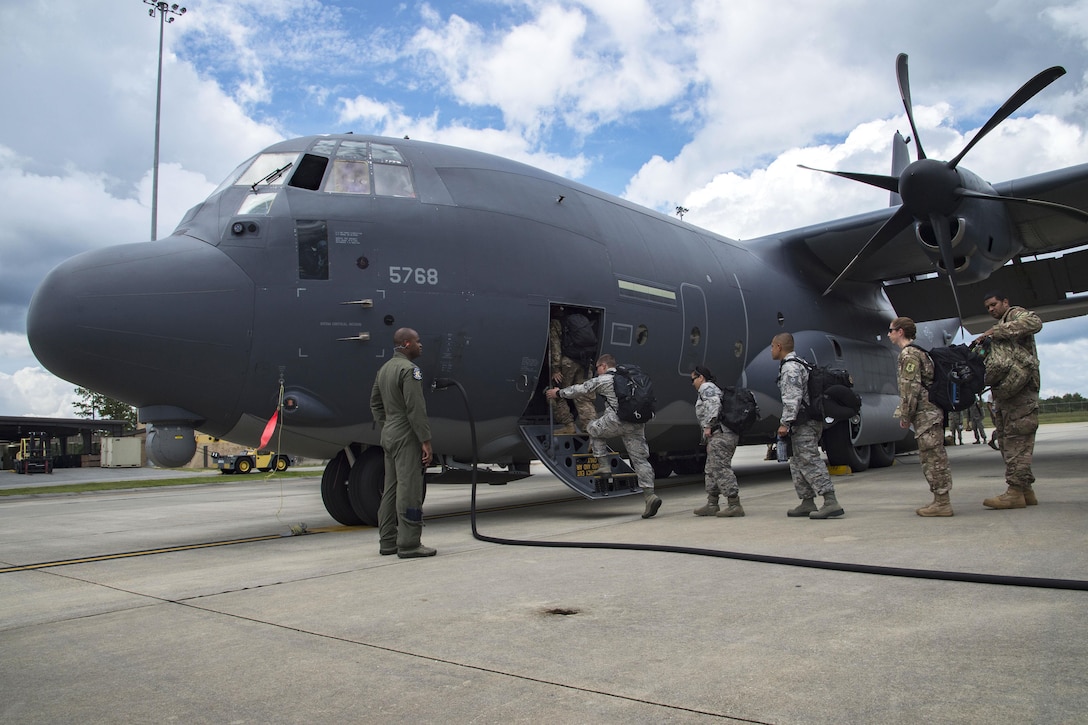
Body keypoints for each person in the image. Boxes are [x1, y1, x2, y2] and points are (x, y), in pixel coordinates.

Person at [546, 354, 661, 518]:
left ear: (604, 366)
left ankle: (604, 464)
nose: (597, 372)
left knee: (592, 428)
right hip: (636, 423)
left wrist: (558, 393)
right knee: (640, 459)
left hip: (617, 420)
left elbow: (581, 389)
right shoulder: (629, 378)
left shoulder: (605, 379)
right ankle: (650, 495)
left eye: (598, 368)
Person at [369, 327, 436, 558]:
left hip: (389, 432)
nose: (421, 345)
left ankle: (387, 541)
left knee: (390, 489)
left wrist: (387, 425)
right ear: (407, 344)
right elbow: (415, 409)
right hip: (406, 434)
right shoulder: (410, 370)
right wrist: (425, 441)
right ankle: (409, 543)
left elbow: (375, 403)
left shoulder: (384, 369)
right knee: (410, 489)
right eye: (418, 341)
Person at [973, 291, 1043, 508]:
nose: (991, 309)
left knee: (1017, 442)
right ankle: (1025, 490)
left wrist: (996, 331)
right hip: (1007, 393)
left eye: (994, 304)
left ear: (1005, 302)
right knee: (1006, 440)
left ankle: (1014, 492)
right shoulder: (1001, 326)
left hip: (1021, 393)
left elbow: (1035, 322)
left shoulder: (1015, 315)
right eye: (988, 307)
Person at [771, 333, 843, 519]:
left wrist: (784, 423)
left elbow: (792, 398)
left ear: (779, 346)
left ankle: (830, 500)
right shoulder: (800, 363)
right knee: (797, 462)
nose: (771, 350)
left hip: (803, 422)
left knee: (809, 460)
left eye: (773, 346)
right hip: (803, 421)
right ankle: (807, 501)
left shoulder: (790, 368)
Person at [888, 317, 954, 516]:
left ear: (900, 332)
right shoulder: (918, 351)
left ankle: (943, 502)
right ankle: (939, 499)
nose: (888, 334)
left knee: (934, 458)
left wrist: (905, 414)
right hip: (929, 413)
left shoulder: (909, 354)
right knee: (931, 457)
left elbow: (911, 387)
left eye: (890, 330)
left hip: (926, 414)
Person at [690, 365, 744, 517]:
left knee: (720, 468)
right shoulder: (709, 388)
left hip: (721, 434)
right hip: (718, 435)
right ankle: (712, 503)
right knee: (711, 469)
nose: (692, 383)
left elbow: (714, 405)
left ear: (701, 377)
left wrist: (708, 426)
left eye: (693, 379)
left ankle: (734, 504)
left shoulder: (707, 387)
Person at [548, 308, 597, 435]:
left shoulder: (556, 323)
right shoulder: (577, 322)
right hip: (585, 363)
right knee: (583, 396)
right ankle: (593, 432)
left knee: (555, 392)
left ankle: (568, 425)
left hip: (568, 363)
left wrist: (555, 369)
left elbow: (555, 347)